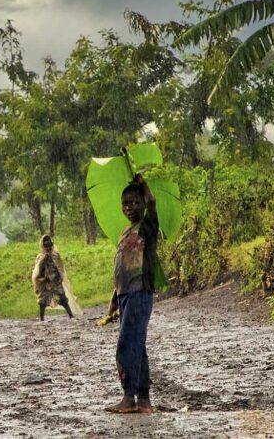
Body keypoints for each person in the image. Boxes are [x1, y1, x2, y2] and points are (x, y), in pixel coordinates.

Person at [105, 174, 159, 415]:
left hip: (140, 292)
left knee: (126, 345)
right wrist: (113, 302)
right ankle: (144, 400)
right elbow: (121, 268)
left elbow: (152, 203)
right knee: (138, 346)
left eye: (135, 202)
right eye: (126, 203)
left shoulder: (147, 227)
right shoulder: (125, 232)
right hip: (126, 294)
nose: (130, 207)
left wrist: (143, 185)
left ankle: (129, 397)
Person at [32, 234, 78, 321]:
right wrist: (43, 260)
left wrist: (60, 278)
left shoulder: (56, 255)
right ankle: (41, 319)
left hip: (56, 280)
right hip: (45, 282)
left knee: (63, 299)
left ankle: (71, 316)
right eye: (46, 245)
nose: (48, 247)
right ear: (42, 246)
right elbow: (37, 271)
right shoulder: (40, 257)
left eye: (49, 245)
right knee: (42, 301)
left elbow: (60, 267)